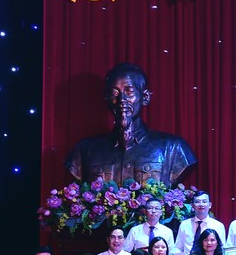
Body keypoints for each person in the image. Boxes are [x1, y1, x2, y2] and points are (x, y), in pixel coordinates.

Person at [64, 62, 196, 186]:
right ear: (107, 98)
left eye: (129, 92)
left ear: (145, 97)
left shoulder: (173, 148)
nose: (122, 100)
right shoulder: (85, 150)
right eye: (115, 93)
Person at [174, 191, 226, 255]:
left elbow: (221, 249)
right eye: (197, 202)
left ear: (210, 205)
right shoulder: (184, 224)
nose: (201, 204)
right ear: (192, 205)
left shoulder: (218, 226)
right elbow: (178, 247)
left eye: (204, 201)